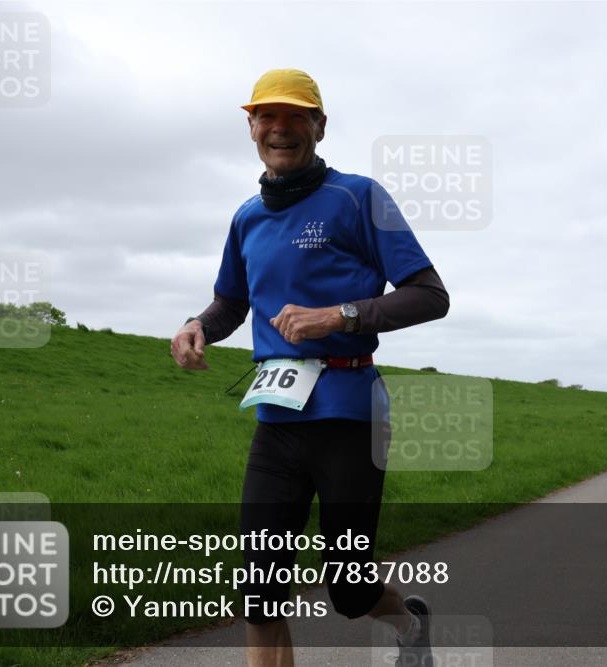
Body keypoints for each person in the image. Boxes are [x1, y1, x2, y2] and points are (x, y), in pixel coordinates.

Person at [170, 68, 448, 667]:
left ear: (319, 127)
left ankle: (408, 625)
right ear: (250, 127)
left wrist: (340, 315)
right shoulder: (246, 216)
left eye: (297, 116)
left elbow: (430, 295)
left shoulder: (359, 196)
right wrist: (198, 325)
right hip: (275, 418)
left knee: (348, 588)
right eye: (267, 116)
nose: (281, 128)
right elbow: (232, 303)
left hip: (350, 414)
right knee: (260, 593)